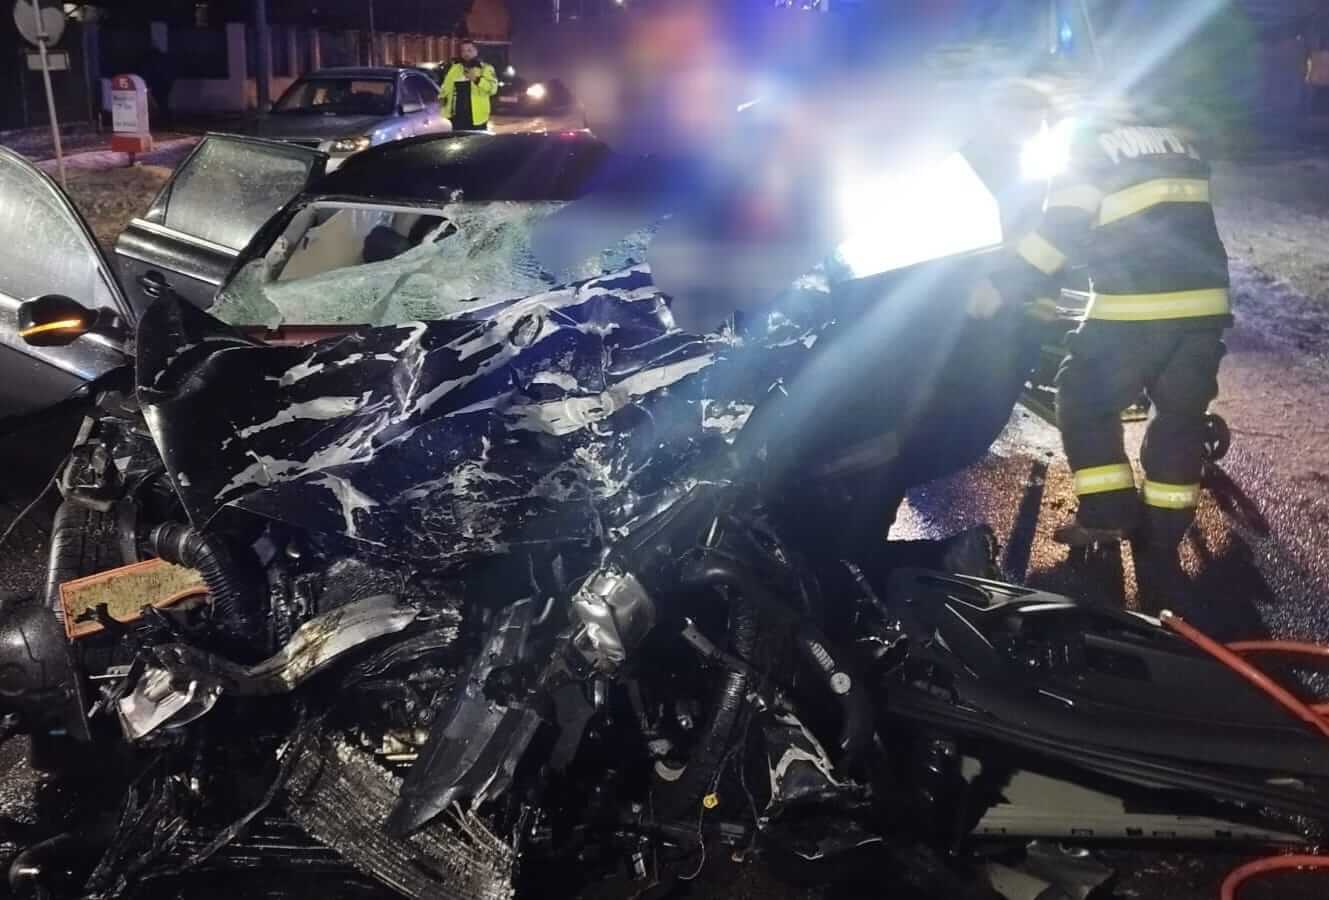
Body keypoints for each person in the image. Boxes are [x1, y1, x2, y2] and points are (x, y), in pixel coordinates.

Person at [993, 88, 1231, 573]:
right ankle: (1162, 538)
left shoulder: (1087, 149)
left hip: (1135, 310)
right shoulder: (1176, 143)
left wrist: (1000, 285)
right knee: (1180, 418)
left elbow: (1055, 238)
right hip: (1205, 307)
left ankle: (1107, 515)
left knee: (1084, 400)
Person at [440, 41, 498, 132]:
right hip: (457, 117)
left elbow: (493, 89)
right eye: (463, 51)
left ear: (476, 51)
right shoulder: (455, 69)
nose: (466, 53)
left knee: (477, 141)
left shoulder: (485, 68)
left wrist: (477, 80)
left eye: (469, 50)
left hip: (478, 118)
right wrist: (441, 98)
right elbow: (446, 87)